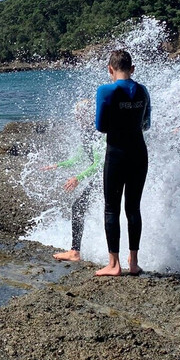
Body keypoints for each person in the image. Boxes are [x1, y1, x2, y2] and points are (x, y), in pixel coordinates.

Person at [94, 49, 151, 276]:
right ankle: (134, 262)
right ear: (133, 69)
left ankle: (114, 265)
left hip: (116, 154)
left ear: (110, 69)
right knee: (133, 208)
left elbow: (100, 126)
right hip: (139, 153)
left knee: (111, 208)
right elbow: (146, 124)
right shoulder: (143, 91)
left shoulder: (106, 90)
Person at [48, 101, 104, 263]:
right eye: (76, 114)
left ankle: (75, 252)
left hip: (108, 176)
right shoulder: (87, 132)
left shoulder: (98, 131)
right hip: (104, 177)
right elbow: (79, 157)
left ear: (88, 114)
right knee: (84, 208)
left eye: (80, 114)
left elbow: (99, 163)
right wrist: (58, 165)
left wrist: (78, 178)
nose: (77, 117)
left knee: (79, 207)